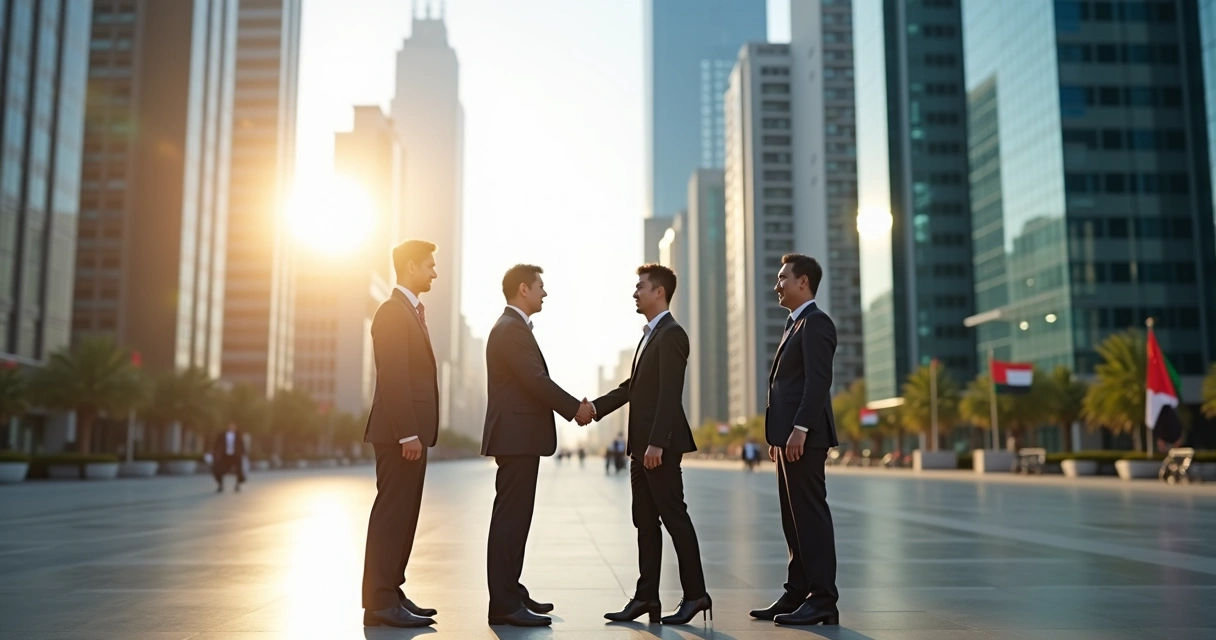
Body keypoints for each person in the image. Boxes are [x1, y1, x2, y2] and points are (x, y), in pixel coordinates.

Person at [592, 264, 711, 626]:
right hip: (641, 448)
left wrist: (658, 443)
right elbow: (634, 388)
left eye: (640, 287)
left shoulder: (672, 334)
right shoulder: (648, 337)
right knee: (645, 521)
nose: (635, 293)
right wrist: (594, 408)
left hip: (658, 448)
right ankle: (647, 598)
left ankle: (695, 595)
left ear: (659, 291)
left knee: (674, 518)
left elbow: (669, 393)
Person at [481, 264, 594, 627]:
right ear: (523, 289)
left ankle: (511, 591)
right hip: (515, 438)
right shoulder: (510, 329)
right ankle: (503, 603)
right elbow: (535, 380)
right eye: (540, 286)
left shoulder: (513, 328)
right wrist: (575, 408)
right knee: (510, 520)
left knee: (517, 519)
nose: (545, 293)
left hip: (520, 438)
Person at [750, 254, 840, 627]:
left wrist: (800, 428)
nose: (777, 284)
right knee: (793, 518)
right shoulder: (795, 324)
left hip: (806, 436)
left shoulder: (816, 323)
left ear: (803, 282)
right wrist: (779, 435)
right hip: (788, 438)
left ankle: (822, 600)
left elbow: (817, 381)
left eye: (782, 277)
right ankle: (797, 592)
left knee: (810, 516)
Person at [360, 240, 440, 629]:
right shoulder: (393, 311)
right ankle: (379, 603)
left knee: (405, 516)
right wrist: (408, 432)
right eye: (429, 266)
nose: (434, 272)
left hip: (411, 436)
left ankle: (391, 591)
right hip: (399, 436)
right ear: (410, 267)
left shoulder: (409, 311)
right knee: (392, 515)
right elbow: (393, 375)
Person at [211, 422, 246, 492]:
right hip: (224, 456)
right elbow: (217, 445)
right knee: (219, 470)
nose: (232, 428)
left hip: (235, 455)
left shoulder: (238, 435)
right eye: (231, 426)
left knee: (238, 471)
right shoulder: (222, 435)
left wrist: (243, 454)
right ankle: (220, 485)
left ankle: (237, 485)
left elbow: (242, 445)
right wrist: (215, 453)